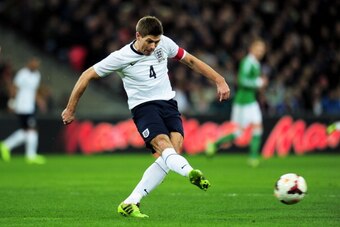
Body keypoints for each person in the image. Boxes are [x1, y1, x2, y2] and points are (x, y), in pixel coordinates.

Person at [61, 16, 230, 218]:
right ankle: (190, 172)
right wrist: (70, 109)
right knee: (163, 145)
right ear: (138, 36)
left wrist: (219, 79)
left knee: (171, 154)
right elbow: (86, 75)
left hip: (168, 104)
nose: (153, 46)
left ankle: (131, 202)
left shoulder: (164, 43)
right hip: (144, 107)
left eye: (156, 42)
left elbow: (191, 61)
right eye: (149, 41)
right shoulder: (120, 57)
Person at [205, 39, 268, 167]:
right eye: (258, 49)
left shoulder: (255, 63)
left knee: (255, 128)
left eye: (262, 50)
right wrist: (259, 83)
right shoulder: (248, 62)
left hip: (250, 101)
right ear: (251, 48)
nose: (260, 52)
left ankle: (253, 157)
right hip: (243, 102)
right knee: (240, 132)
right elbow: (242, 81)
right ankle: (215, 145)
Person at [0, 57, 46, 164]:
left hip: (30, 106)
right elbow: (14, 88)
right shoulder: (22, 74)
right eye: (34, 63)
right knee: (32, 129)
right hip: (22, 106)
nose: (36, 65)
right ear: (29, 62)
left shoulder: (36, 75)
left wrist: (40, 101)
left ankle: (5, 145)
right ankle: (30, 155)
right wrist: (11, 101)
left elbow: (34, 91)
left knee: (26, 131)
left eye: (37, 63)